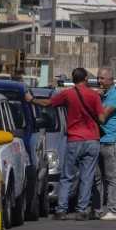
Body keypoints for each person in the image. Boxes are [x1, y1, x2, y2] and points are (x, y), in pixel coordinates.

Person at [26, 67, 104, 221]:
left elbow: (47, 103)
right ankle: (81, 211)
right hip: (92, 139)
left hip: (74, 139)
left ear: (73, 79)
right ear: (86, 78)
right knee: (87, 177)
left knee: (67, 176)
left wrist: (31, 100)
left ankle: (61, 210)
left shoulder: (68, 94)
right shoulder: (94, 95)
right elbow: (101, 119)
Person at [90, 66, 116, 221]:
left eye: (102, 78)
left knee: (111, 177)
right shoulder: (100, 95)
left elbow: (102, 114)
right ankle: (96, 210)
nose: (99, 81)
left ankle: (113, 211)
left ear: (111, 79)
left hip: (110, 141)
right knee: (96, 177)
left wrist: (95, 99)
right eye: (98, 78)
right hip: (97, 140)